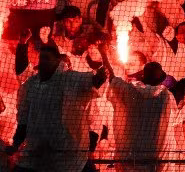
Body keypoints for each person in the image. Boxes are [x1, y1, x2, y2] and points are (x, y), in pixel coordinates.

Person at [10, 43, 110, 172]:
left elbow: (94, 123)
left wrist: (90, 150)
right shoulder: (34, 83)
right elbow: (22, 73)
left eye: (47, 58)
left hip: (70, 155)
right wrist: (22, 45)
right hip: (38, 153)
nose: (43, 62)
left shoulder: (75, 84)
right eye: (41, 58)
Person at [106, 60, 180, 172]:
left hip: (130, 157)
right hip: (154, 160)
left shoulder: (130, 91)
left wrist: (104, 55)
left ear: (143, 77)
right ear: (161, 80)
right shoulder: (165, 97)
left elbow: (112, 78)